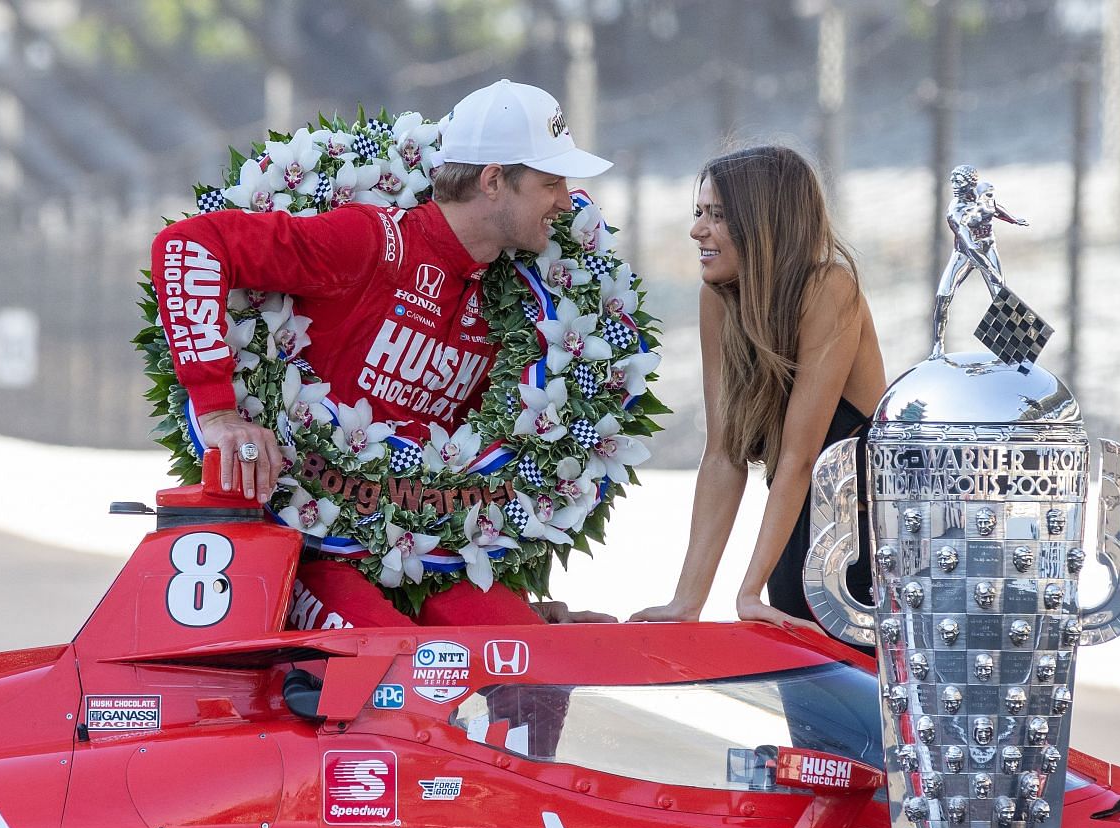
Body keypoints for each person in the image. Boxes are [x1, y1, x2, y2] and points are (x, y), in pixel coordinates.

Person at [150, 79, 612, 628]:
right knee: (390, 666)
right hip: (313, 545)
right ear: (493, 181)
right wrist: (219, 411)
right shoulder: (370, 242)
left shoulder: (524, 293)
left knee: (529, 660)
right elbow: (188, 244)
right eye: (551, 182)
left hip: (431, 555)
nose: (565, 201)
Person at [631, 145, 885, 640]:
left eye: (718, 216)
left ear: (763, 223)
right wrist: (687, 602)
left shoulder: (829, 287)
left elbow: (799, 458)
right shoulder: (719, 297)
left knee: (873, 719)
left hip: (867, 554)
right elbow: (724, 455)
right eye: (699, 212)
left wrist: (749, 591)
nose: (696, 230)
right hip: (795, 548)